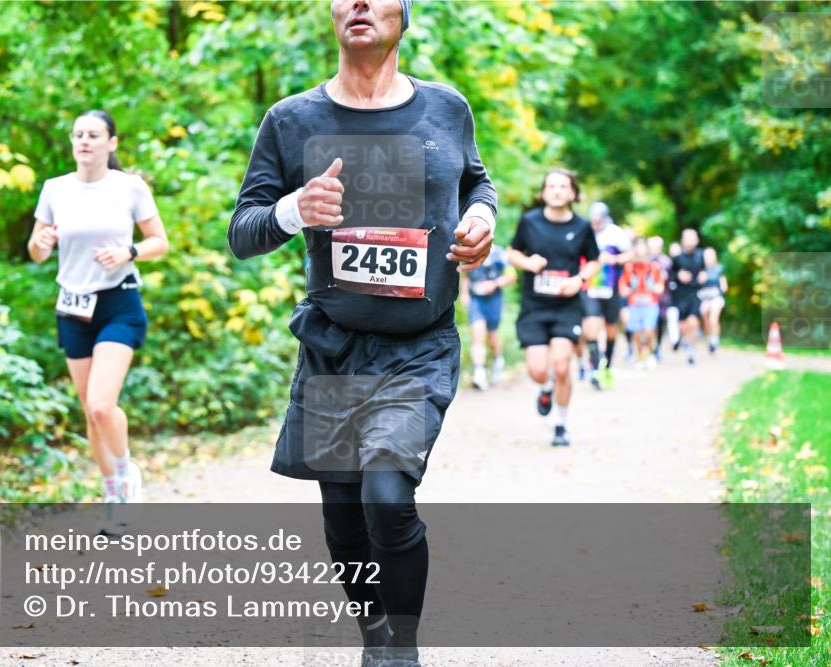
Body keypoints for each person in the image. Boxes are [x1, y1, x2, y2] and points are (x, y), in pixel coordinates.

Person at [228, 2, 496, 665]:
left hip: (419, 345)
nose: (356, 2)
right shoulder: (293, 121)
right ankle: (373, 633)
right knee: (344, 520)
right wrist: (294, 210)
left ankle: (399, 647)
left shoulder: (446, 108)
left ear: (403, 14)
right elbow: (243, 230)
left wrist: (482, 219)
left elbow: (478, 182)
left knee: (386, 491)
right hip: (335, 346)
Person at [27, 110, 168, 504]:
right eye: (78, 135)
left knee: (102, 405)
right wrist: (40, 246)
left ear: (112, 142)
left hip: (118, 304)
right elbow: (37, 250)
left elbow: (160, 241)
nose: (84, 141)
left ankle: (126, 474)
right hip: (72, 306)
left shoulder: (130, 187)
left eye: (93, 134)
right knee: (89, 413)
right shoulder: (55, 189)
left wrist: (129, 251)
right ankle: (113, 493)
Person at [508, 169, 600, 447]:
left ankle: (560, 424)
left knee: (561, 366)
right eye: (551, 186)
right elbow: (512, 253)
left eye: (563, 186)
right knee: (538, 370)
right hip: (534, 306)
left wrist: (579, 279)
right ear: (543, 192)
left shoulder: (582, 227)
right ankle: (545, 388)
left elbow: (595, 261)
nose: (557, 191)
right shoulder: (530, 221)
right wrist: (528, 263)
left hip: (566, 306)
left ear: (572, 193)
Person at [579, 201, 631, 390]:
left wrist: (615, 259)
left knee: (610, 330)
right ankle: (594, 367)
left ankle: (607, 365)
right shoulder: (583, 231)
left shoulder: (615, 233)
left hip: (610, 287)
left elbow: (629, 254)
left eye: (598, 220)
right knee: (591, 327)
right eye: (592, 220)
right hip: (589, 287)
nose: (595, 223)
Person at [460, 245, 516, 389]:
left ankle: (498, 360)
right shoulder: (470, 252)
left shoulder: (499, 253)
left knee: (492, 337)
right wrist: (464, 294)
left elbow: (512, 276)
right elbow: (465, 275)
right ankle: (479, 373)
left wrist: (494, 283)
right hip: (476, 300)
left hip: (494, 299)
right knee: (477, 335)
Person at [618, 237, 665, 369]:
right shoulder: (629, 267)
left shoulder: (654, 266)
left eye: (642, 247)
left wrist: (657, 288)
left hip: (650, 304)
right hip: (634, 304)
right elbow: (622, 285)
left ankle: (650, 355)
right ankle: (639, 356)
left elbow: (660, 284)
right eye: (637, 247)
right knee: (637, 333)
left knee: (649, 330)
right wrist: (626, 290)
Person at [669, 228, 706, 365]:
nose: (690, 241)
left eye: (692, 237)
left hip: (695, 293)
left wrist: (704, 275)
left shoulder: (701, 256)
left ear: (697, 240)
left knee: (693, 321)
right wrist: (678, 276)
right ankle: (685, 341)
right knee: (683, 325)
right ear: (683, 240)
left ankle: (691, 349)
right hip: (680, 294)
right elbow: (671, 275)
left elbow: (706, 270)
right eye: (687, 238)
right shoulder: (677, 258)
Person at [646, 235, 672, 360]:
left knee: (660, 323)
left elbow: (671, 277)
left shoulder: (666, 261)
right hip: (646, 298)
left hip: (662, 298)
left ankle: (657, 349)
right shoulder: (645, 261)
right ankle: (647, 349)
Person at [698, 247, 728, 354]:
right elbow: (697, 285)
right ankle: (709, 340)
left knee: (713, 320)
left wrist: (722, 288)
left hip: (716, 298)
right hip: (705, 298)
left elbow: (724, 285)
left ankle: (715, 341)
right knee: (706, 322)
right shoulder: (701, 269)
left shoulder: (719, 268)